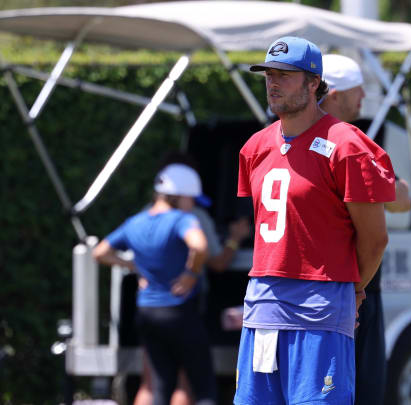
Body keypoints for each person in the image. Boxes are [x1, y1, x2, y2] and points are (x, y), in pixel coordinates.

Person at [233, 36, 395, 405]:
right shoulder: (254, 147)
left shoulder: (348, 144)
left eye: (285, 75)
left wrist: (352, 291)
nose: (273, 83)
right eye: (269, 74)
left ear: (313, 83)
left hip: (319, 308)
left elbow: (375, 239)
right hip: (262, 306)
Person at [321, 53, 411, 405]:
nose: (363, 100)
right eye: (357, 91)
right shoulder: (352, 144)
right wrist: (356, 291)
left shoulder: (282, 138)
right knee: (360, 390)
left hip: (303, 294)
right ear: (335, 95)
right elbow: (399, 203)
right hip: (353, 293)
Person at [93, 163, 219, 405]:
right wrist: (190, 274)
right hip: (180, 312)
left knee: (159, 386)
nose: (192, 204)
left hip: (147, 313)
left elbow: (100, 252)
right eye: (191, 199)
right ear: (179, 196)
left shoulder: (135, 222)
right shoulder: (182, 219)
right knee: (202, 387)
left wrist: (133, 267)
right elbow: (200, 246)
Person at [131, 155, 250, 405]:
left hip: (147, 307)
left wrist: (133, 266)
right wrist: (234, 239)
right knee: (185, 382)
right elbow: (216, 261)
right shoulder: (191, 217)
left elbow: (102, 251)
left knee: (151, 383)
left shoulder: (143, 215)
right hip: (183, 307)